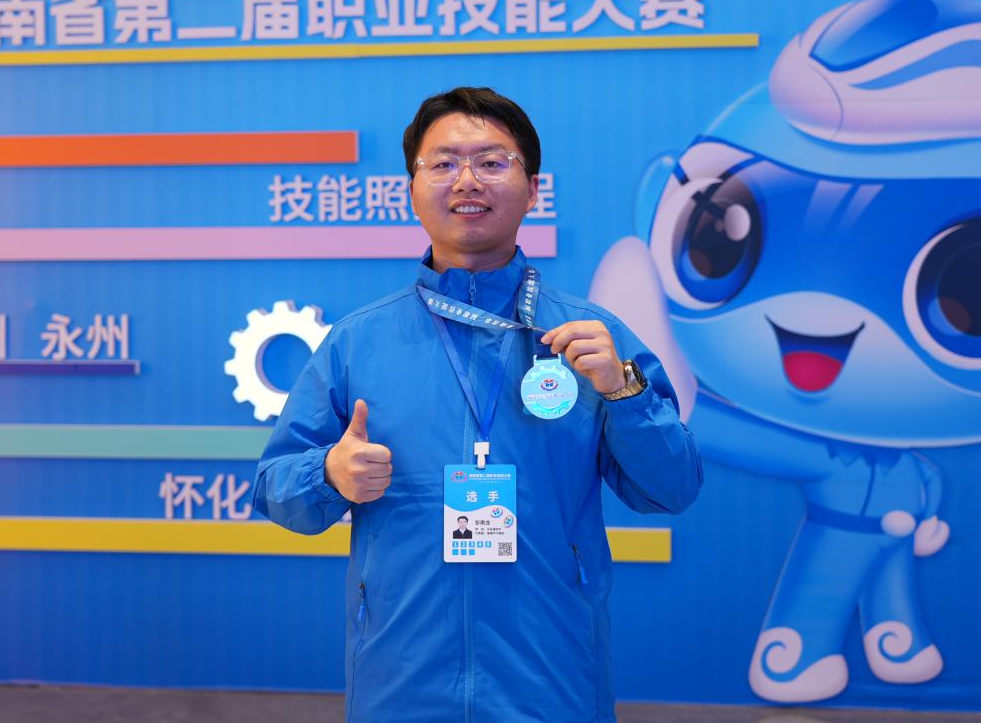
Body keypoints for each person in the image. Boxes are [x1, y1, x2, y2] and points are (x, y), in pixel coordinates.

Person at [252, 86, 703, 723]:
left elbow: (673, 489)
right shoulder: (358, 342)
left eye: (492, 161)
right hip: (401, 678)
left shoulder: (593, 340)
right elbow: (275, 489)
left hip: (551, 675)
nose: (467, 180)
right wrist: (328, 474)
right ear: (411, 190)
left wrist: (624, 393)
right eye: (443, 163)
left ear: (533, 189)